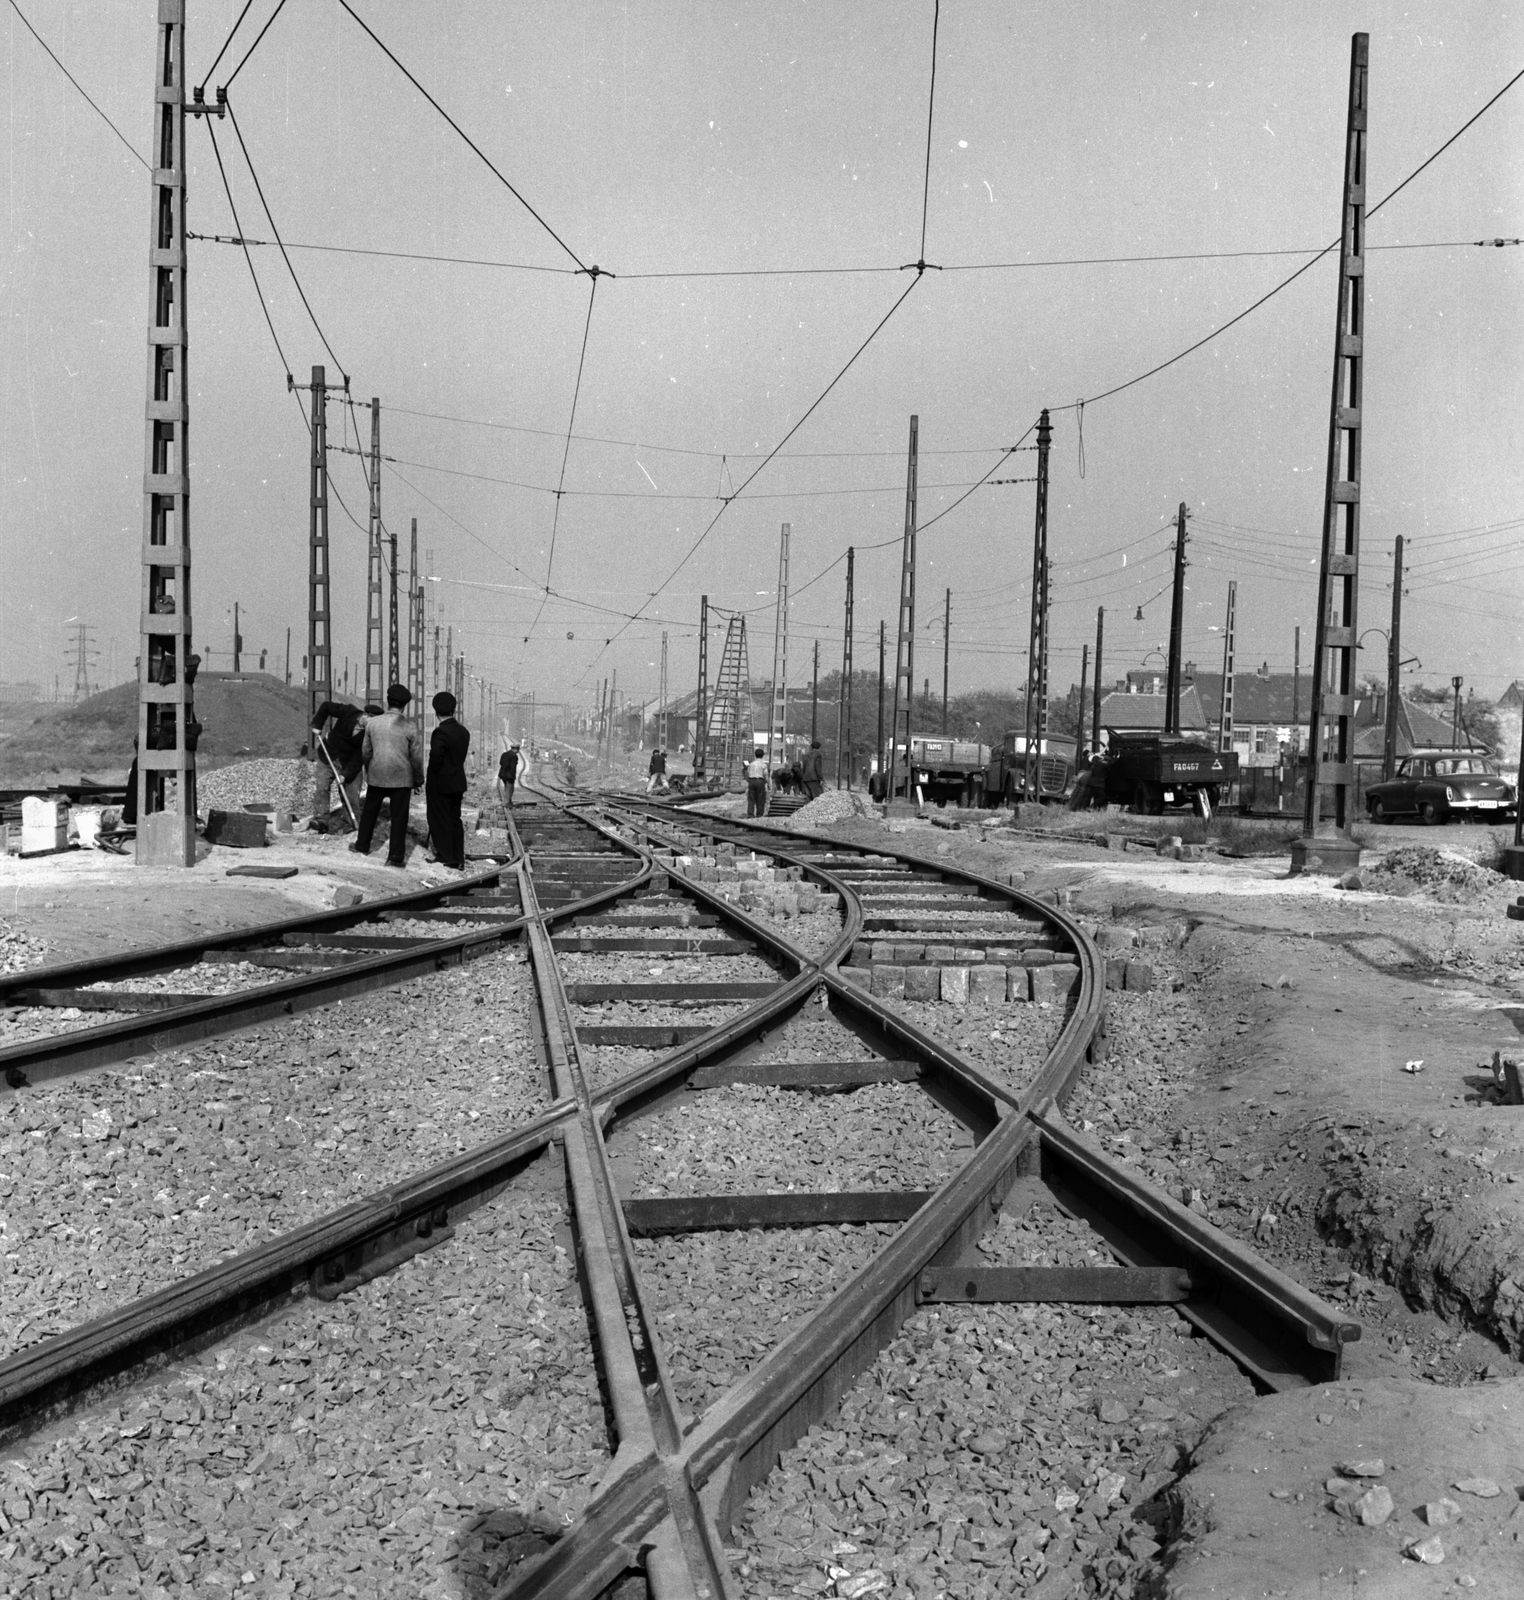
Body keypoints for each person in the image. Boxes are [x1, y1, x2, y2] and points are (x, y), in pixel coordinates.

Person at [350, 684, 423, 866]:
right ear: (405, 705)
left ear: (388, 701)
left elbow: (366, 752)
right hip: (402, 778)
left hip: (377, 775)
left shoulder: (372, 723)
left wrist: (370, 769)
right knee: (399, 817)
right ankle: (395, 857)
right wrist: (418, 779)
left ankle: (362, 845)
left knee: (369, 812)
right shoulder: (410, 727)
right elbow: (416, 757)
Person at [425, 691, 471, 869]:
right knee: (454, 819)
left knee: (438, 818)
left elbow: (436, 757)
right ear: (454, 709)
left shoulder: (440, 732)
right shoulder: (463, 731)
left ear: (436, 711)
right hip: (458, 781)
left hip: (440, 783)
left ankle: (444, 855)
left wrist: (432, 774)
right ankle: (458, 857)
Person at [309, 698, 369, 828]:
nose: (371, 724)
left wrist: (345, 775)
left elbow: (360, 757)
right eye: (370, 719)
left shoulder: (369, 734)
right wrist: (318, 725)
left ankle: (352, 824)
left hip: (349, 764)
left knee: (351, 795)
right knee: (322, 788)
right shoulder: (349, 711)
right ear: (364, 715)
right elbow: (326, 706)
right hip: (328, 756)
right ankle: (321, 821)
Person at [745, 746, 769, 818]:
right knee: (760, 798)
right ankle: (759, 814)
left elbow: (747, 773)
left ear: (755, 755)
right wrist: (767, 782)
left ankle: (750, 814)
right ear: (762, 755)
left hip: (751, 781)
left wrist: (748, 781)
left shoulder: (751, 764)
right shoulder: (763, 764)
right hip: (760, 781)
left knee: (751, 798)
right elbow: (765, 774)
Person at [497, 743, 521, 810]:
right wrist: (512, 777)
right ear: (516, 749)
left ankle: (509, 802)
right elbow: (513, 767)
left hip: (502, 774)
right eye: (518, 749)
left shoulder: (504, 754)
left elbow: (501, 762)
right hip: (509, 775)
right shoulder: (514, 756)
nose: (518, 751)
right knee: (509, 789)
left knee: (508, 788)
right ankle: (505, 804)